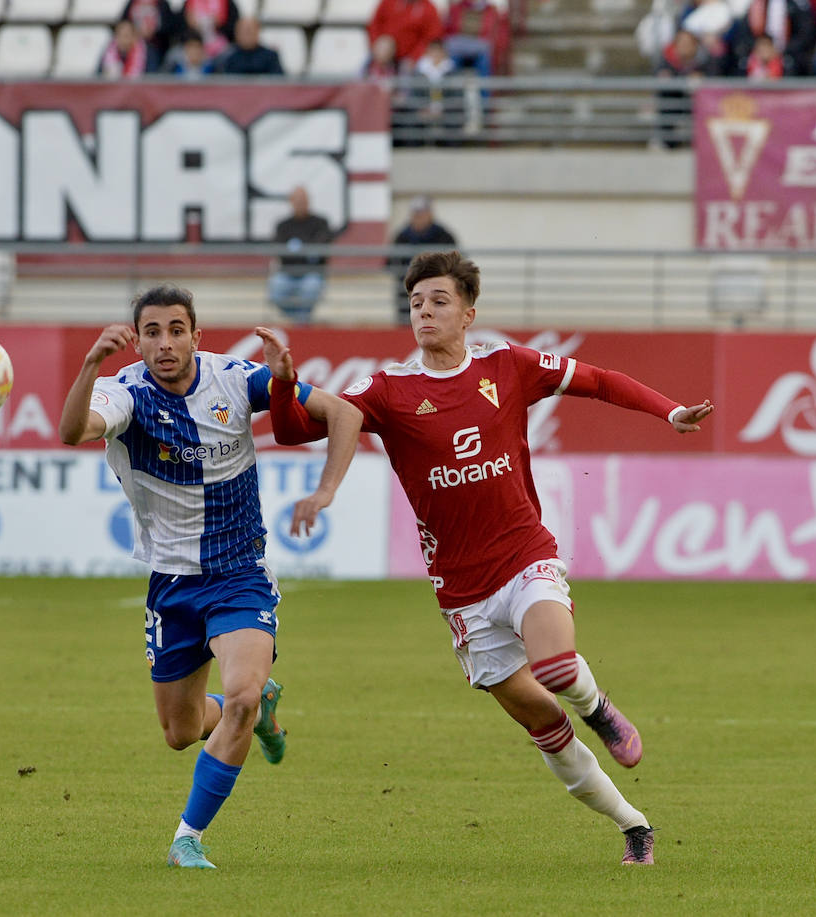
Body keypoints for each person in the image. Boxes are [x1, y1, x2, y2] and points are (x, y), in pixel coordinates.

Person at [264, 250, 716, 867]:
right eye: (416, 302)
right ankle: (634, 825)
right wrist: (285, 383)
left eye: (439, 300)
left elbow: (599, 381)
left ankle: (601, 710)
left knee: (557, 667)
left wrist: (669, 411)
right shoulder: (389, 390)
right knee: (544, 728)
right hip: (462, 592)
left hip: (524, 555)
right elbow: (293, 430)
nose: (424, 311)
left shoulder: (507, 367)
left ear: (469, 312)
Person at [57, 284, 362, 869]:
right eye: (152, 332)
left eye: (177, 330)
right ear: (139, 342)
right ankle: (254, 707)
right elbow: (74, 431)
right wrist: (91, 362)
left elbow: (345, 411)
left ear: (197, 336)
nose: (166, 343)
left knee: (241, 696)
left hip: (239, 573)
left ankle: (187, 838)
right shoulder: (123, 393)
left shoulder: (234, 380)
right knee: (180, 731)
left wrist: (323, 490)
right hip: (171, 584)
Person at [267, 187, 333, 323]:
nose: (301, 204)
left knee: (311, 287)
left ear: (309, 201)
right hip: (287, 273)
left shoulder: (320, 223)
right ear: (291, 202)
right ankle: (300, 321)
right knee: (276, 288)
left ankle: (301, 323)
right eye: (297, 200)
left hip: (312, 273)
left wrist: (296, 250)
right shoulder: (283, 225)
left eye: (303, 200)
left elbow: (322, 249)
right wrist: (307, 252)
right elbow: (281, 253)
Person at [388, 196, 457, 318]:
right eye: (416, 214)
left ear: (430, 214)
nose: (419, 218)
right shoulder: (402, 237)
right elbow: (390, 264)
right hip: (409, 297)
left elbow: (457, 261)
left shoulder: (444, 236)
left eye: (422, 214)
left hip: (439, 294)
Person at [367, 0, 445, 67]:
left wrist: (414, 57)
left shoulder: (429, 9)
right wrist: (377, 44)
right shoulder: (388, 2)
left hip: (412, 59)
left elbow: (431, 39)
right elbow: (374, 25)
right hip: (383, 53)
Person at [214, 16, 284, 75]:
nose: (247, 35)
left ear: (257, 31)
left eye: (249, 31)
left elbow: (279, 82)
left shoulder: (270, 56)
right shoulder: (226, 57)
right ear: (236, 33)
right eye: (243, 31)